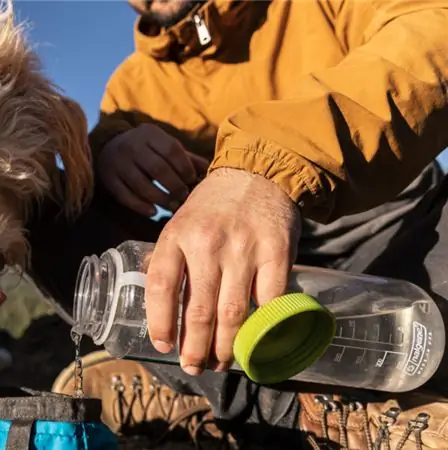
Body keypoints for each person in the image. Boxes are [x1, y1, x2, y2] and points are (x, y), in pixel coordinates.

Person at [25, 0, 448, 448]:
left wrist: (268, 163)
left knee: (431, 340)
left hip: (405, 235)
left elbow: (432, 31)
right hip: (249, 300)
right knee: (52, 204)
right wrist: (112, 151)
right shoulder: (131, 90)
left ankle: (194, 397)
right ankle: (303, 412)